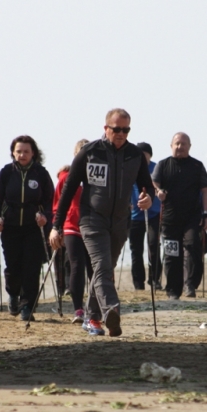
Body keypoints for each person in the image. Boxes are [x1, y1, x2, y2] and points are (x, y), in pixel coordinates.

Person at [50, 108, 153, 337]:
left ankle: (91, 317)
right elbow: (67, 192)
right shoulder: (90, 152)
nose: (121, 134)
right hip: (91, 219)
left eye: (126, 130)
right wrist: (56, 226)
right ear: (106, 128)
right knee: (102, 265)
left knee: (103, 269)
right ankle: (111, 311)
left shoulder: (134, 155)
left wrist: (148, 199)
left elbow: (146, 186)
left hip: (119, 221)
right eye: (117, 129)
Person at [0, 135, 54, 321]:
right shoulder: (6, 173)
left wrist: (45, 217)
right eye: (18, 151)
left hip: (33, 228)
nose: (22, 154)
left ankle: (27, 306)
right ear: (13, 152)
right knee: (13, 266)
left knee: (31, 267)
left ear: (33, 153)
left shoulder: (41, 173)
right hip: (10, 226)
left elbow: (50, 201)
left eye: (26, 151)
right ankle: (13, 294)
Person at [152, 132, 207, 300]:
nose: (180, 147)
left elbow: (205, 191)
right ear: (171, 146)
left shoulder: (197, 166)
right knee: (172, 255)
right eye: (177, 143)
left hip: (192, 217)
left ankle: (190, 284)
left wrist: (206, 214)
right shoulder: (163, 165)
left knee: (193, 246)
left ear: (189, 147)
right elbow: (154, 182)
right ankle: (173, 290)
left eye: (183, 144)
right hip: (170, 218)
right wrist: (159, 191)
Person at [53, 139, 93, 324]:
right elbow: (57, 205)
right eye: (81, 152)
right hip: (72, 226)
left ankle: (95, 307)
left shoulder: (97, 175)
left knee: (95, 268)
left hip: (93, 226)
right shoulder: (66, 178)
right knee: (77, 265)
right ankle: (78, 309)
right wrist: (56, 227)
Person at [128, 142, 162, 291]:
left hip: (154, 213)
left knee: (154, 246)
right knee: (136, 250)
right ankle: (138, 282)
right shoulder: (131, 167)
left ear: (150, 155)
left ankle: (155, 280)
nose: (142, 157)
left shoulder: (156, 168)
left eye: (145, 154)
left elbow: (162, 186)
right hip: (135, 215)